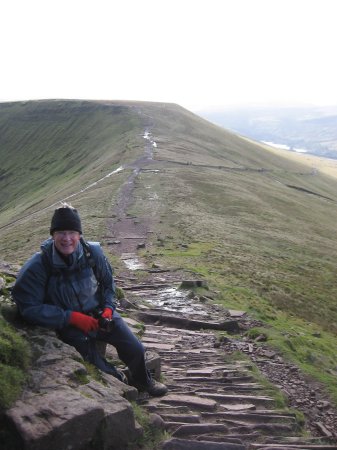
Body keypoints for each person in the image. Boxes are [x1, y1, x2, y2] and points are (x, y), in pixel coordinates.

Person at [12, 203, 168, 397]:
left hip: (101, 315)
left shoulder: (93, 254)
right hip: (69, 325)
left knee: (135, 348)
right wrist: (71, 318)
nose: (67, 239)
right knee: (97, 366)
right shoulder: (38, 265)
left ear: (79, 234)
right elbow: (28, 307)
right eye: (61, 232)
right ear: (53, 235)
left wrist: (109, 309)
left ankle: (143, 381)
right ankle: (121, 382)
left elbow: (108, 284)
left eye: (72, 232)